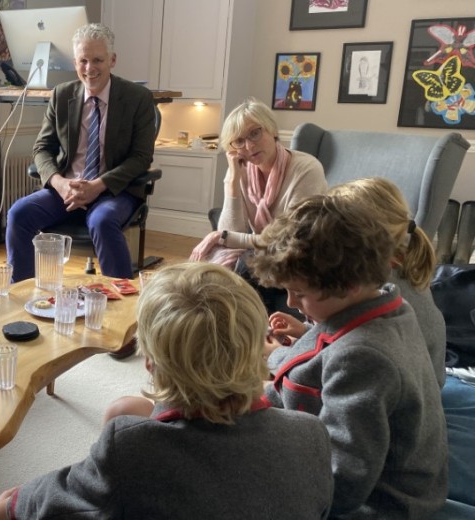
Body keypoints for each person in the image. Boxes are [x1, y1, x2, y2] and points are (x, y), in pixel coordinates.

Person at [0, 263, 334, 520]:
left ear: (150, 362)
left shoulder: (132, 447)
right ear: (261, 348)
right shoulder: (311, 434)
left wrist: (7, 504)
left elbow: (5, 509)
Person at [248, 193, 448, 518]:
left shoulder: (365, 357)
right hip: (323, 451)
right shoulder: (373, 306)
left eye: (299, 293)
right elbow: (309, 364)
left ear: (350, 284)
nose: (291, 302)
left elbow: (342, 480)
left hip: (380, 506)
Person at [5, 23, 156, 281]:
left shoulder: (137, 98)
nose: (89, 68)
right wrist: (60, 183)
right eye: (83, 60)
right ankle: (22, 295)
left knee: (102, 221)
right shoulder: (62, 96)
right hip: (68, 190)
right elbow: (42, 148)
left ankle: (122, 300)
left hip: (113, 190)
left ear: (112, 60)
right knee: (18, 214)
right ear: (75, 62)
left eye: (97, 60)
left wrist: (98, 185)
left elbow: (141, 158)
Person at [270, 177, 446, 388]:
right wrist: (307, 332)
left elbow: (357, 353)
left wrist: (277, 355)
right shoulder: (392, 270)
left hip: (403, 386)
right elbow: (352, 331)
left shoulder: (374, 283)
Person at [189, 98, 326, 314]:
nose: (249, 146)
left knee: (248, 262)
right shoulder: (241, 171)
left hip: (303, 253)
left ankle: (247, 330)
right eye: (239, 141)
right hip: (263, 249)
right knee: (208, 272)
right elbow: (232, 233)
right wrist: (233, 181)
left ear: (271, 129)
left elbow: (290, 239)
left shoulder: (307, 169)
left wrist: (220, 236)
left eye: (255, 133)